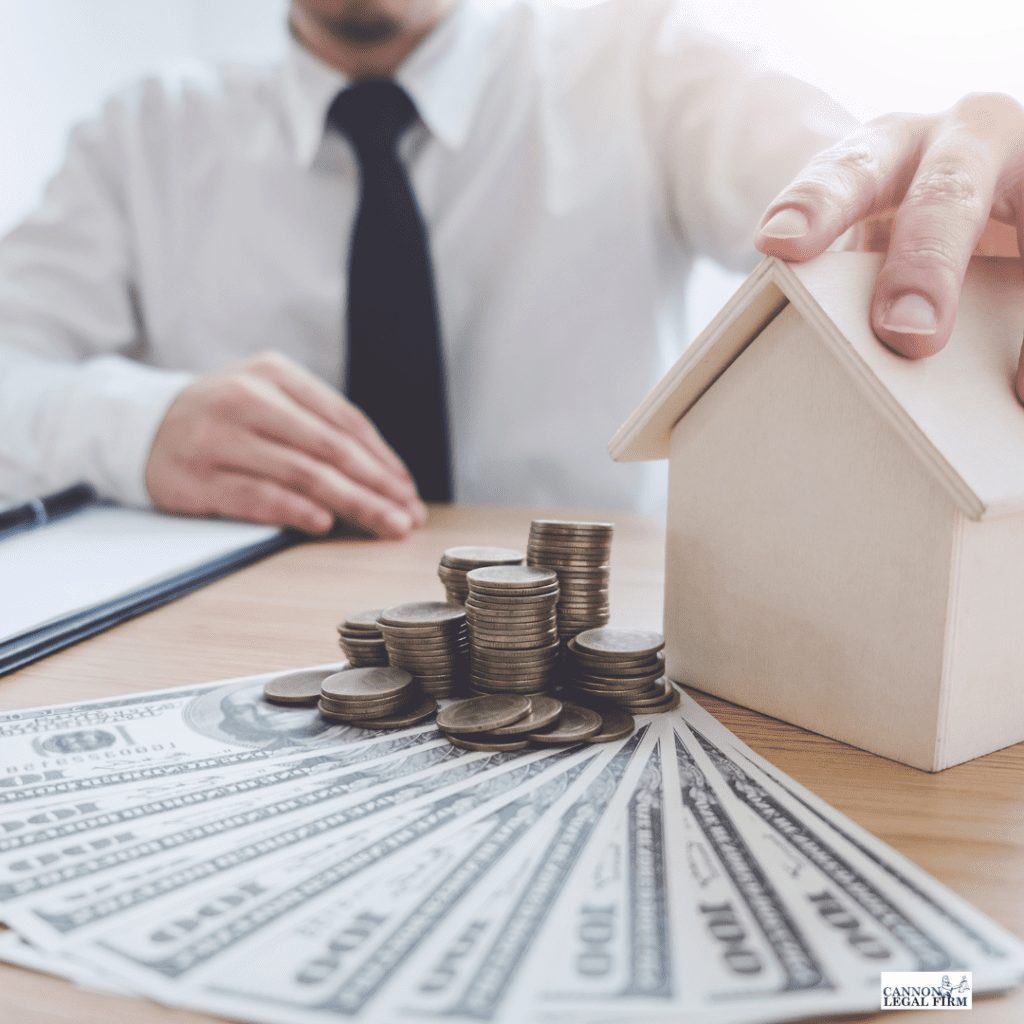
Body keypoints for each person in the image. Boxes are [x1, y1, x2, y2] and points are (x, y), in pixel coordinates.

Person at [0, 0, 1021, 540]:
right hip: (224, 640)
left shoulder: (642, 63)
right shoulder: (140, 135)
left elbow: (851, 197)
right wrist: (139, 428)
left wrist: (935, 191)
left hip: (585, 658)